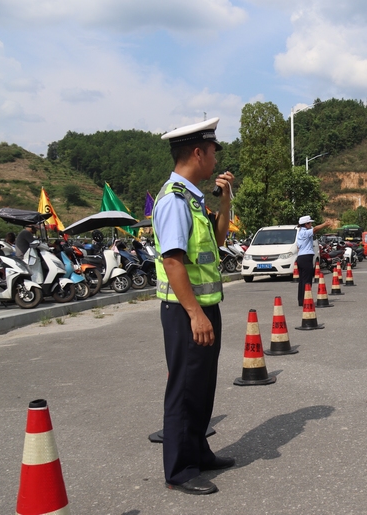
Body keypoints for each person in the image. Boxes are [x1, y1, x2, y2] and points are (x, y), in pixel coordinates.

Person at [153, 117, 234, 495]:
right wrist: (195, 313)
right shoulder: (173, 200)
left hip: (203, 306)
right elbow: (173, 261)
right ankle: (180, 470)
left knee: (201, 386)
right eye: (214, 150)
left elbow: (216, 243)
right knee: (185, 389)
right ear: (198, 152)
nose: (217, 157)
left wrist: (225, 202)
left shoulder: (193, 199)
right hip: (187, 312)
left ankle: (198, 451)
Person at [296, 215, 332, 306]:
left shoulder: (300, 233)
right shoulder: (305, 232)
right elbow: (315, 229)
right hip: (306, 258)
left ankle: (302, 300)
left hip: (301, 257)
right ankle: (306, 300)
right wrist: (325, 224)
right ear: (306, 224)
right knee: (307, 280)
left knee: (302, 280)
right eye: (310, 223)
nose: (311, 224)